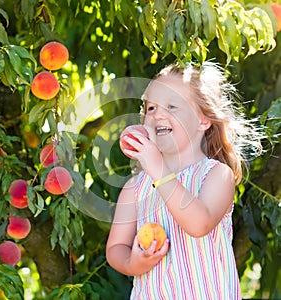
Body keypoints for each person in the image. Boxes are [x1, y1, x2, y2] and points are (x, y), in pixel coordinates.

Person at [106, 62, 262, 299]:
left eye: (171, 105)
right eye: (150, 108)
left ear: (203, 120)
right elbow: (116, 248)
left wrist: (157, 167)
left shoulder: (216, 175)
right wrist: (133, 263)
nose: (158, 114)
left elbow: (199, 224)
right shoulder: (136, 188)